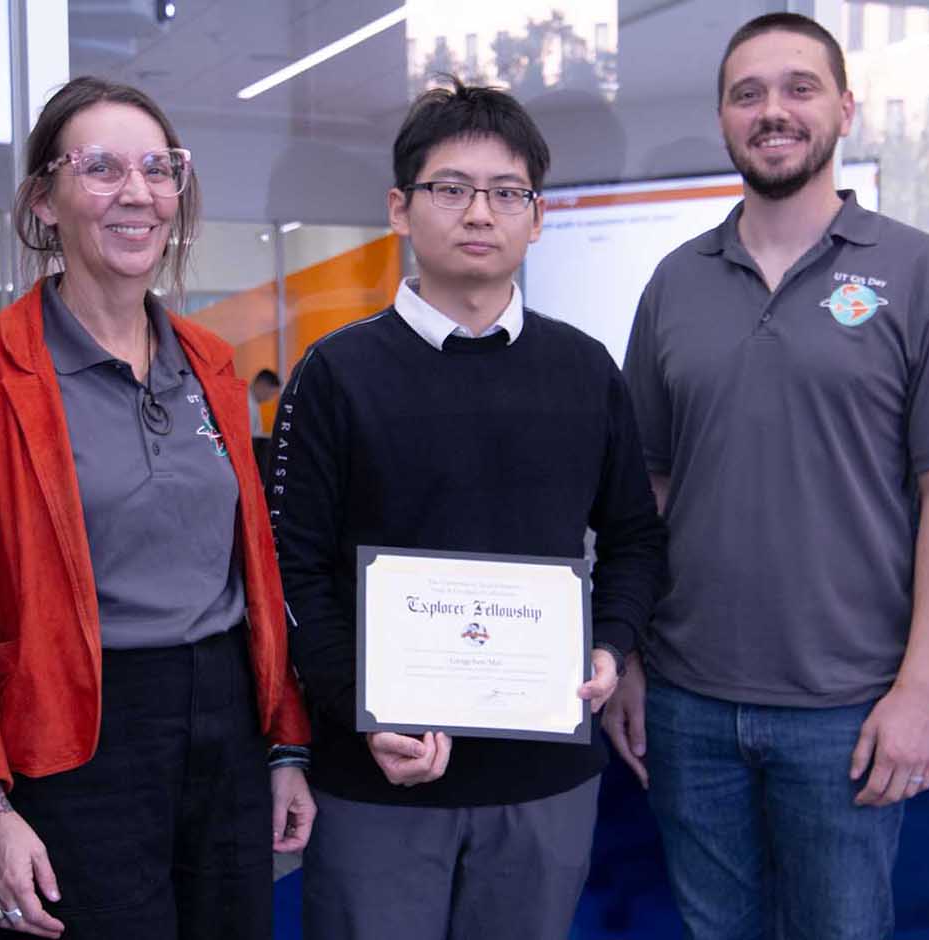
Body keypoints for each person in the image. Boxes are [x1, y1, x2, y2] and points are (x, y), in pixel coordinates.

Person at [604, 13, 929, 938]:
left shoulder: (918, 273)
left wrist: (922, 687)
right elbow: (647, 493)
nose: (773, 111)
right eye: (748, 93)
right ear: (723, 118)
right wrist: (626, 652)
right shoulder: (675, 282)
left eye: (799, 87)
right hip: (686, 702)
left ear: (844, 108)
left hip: (850, 709)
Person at [0, 75, 313, 940]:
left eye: (158, 169)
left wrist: (284, 742)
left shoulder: (208, 359)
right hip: (73, 739)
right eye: (100, 167)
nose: (137, 192)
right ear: (43, 202)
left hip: (225, 725)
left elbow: (255, 568)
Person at [267, 78, 666, 939]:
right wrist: (360, 710)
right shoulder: (334, 374)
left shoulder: (586, 370)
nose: (479, 212)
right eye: (451, 188)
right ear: (401, 209)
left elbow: (636, 538)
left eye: (506, 192)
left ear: (537, 215)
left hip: (544, 784)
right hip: (379, 781)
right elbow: (290, 569)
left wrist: (611, 644)